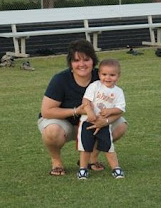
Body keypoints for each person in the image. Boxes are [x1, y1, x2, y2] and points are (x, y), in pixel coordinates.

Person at [37, 39, 127, 176]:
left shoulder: (103, 75)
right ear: (71, 63)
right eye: (76, 60)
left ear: (93, 61)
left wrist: (106, 121)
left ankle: (91, 159)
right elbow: (46, 111)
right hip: (63, 123)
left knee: (121, 125)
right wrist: (76, 111)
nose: (82, 64)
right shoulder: (60, 79)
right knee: (52, 132)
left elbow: (118, 108)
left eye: (86, 59)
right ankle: (56, 162)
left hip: (92, 122)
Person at [77, 59, 125, 179]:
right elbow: (85, 101)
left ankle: (116, 168)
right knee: (85, 147)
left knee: (108, 146)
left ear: (118, 76)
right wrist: (89, 112)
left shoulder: (118, 92)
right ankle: (83, 169)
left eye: (112, 75)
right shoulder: (94, 86)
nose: (108, 78)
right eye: (104, 74)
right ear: (99, 74)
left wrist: (110, 111)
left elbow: (120, 109)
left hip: (104, 124)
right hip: (87, 122)